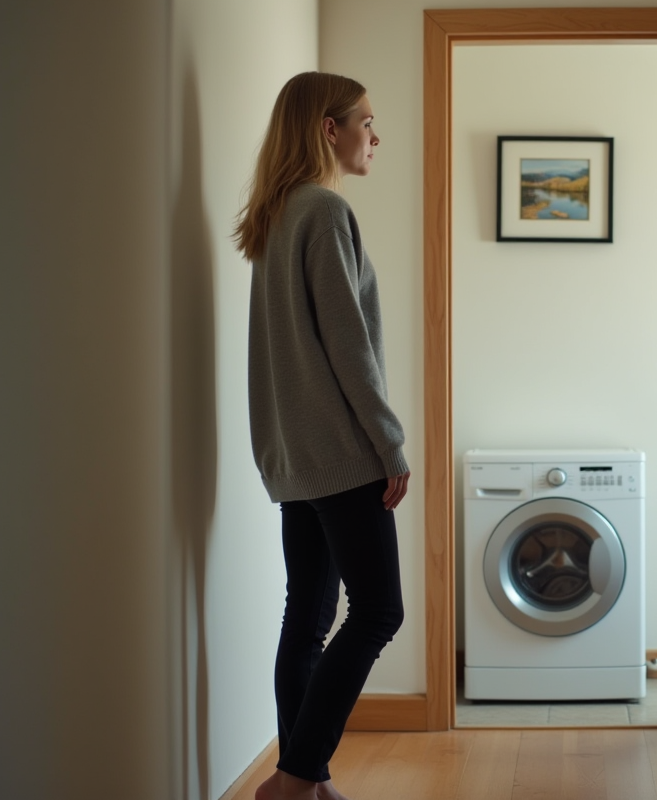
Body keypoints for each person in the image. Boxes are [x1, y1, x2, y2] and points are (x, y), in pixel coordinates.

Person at [234, 71, 409, 800]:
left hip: (291, 457)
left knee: (307, 616)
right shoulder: (323, 212)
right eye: (366, 121)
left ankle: (304, 780)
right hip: (339, 455)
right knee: (378, 611)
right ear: (328, 128)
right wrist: (389, 445)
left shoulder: (277, 215)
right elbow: (349, 349)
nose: (376, 135)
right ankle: (296, 777)